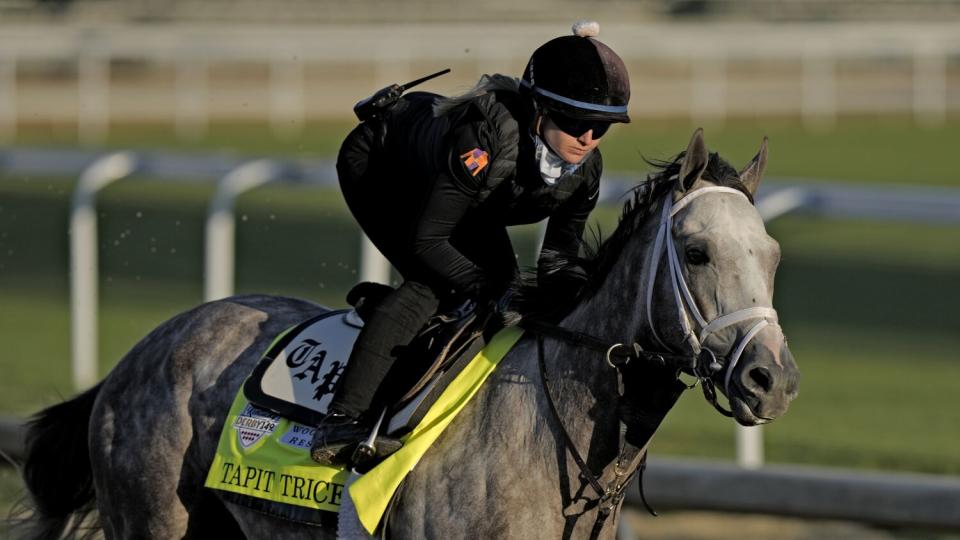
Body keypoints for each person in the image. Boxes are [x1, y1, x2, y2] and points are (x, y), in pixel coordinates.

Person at [311, 20, 631, 465]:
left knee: (503, 282)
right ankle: (342, 421)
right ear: (538, 108)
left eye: (602, 128)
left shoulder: (585, 174)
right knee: (435, 284)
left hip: (463, 197)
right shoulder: (483, 142)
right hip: (383, 168)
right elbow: (429, 241)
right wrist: (484, 286)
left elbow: (557, 260)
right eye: (576, 121)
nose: (588, 138)